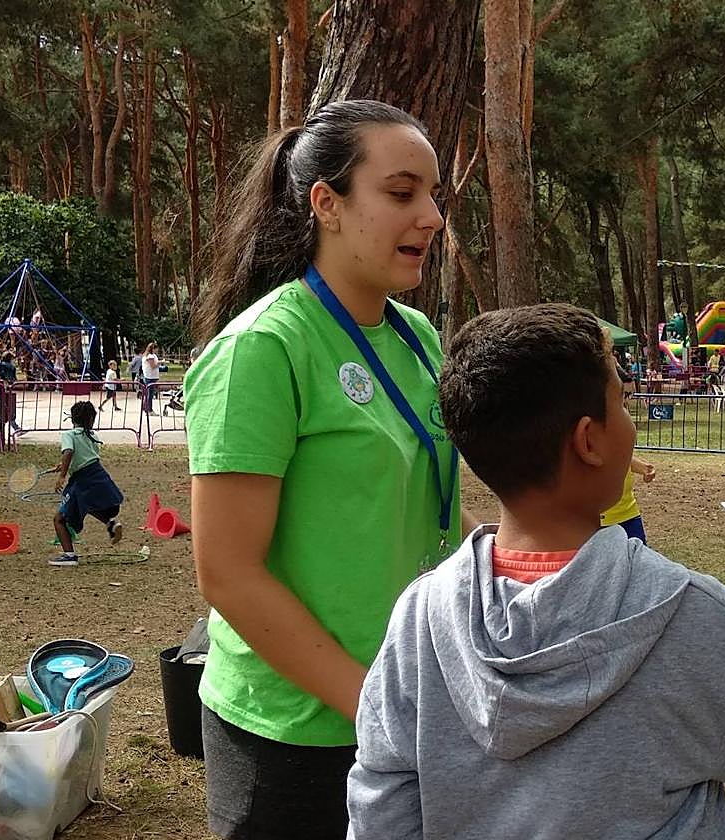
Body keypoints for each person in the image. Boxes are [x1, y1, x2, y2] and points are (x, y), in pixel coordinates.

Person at [347, 303, 725, 839]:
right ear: (589, 442)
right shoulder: (688, 617)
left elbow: (380, 812)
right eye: (623, 402)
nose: (630, 422)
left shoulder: (420, 618)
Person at [185, 100, 465, 840]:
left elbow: (426, 500)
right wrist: (371, 703)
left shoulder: (418, 337)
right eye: (402, 193)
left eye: (434, 195)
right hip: (294, 734)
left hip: (405, 706)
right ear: (326, 204)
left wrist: (520, 564)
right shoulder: (262, 349)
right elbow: (228, 574)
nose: (431, 217)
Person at [49, 401, 125, 566]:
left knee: (59, 518)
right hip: (97, 474)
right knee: (89, 505)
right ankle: (111, 523)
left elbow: (69, 451)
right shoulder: (92, 436)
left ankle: (69, 556)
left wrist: (62, 475)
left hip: (82, 479)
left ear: (72, 418)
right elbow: (87, 457)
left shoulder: (69, 435)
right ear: (91, 419)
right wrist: (64, 465)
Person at [140, 342, 160, 413]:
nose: (157, 350)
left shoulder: (151, 355)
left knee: (148, 394)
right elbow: (153, 366)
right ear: (153, 349)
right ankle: (149, 410)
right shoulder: (150, 356)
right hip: (150, 377)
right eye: (156, 349)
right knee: (150, 395)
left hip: (151, 376)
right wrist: (160, 363)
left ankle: (145, 407)